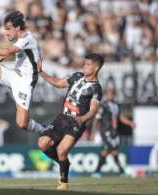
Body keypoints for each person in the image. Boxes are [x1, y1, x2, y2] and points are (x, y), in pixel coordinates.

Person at [37, 53, 104, 190]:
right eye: (84, 63)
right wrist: (41, 73)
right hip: (61, 118)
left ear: (96, 68)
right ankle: (64, 163)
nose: (84, 66)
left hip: (76, 123)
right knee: (42, 143)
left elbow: (93, 110)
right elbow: (57, 83)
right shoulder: (77, 76)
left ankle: (64, 183)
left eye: (88, 64)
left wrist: (82, 119)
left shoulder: (96, 89)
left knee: (62, 150)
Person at [91, 87, 136, 178]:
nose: (110, 95)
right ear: (106, 95)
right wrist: (93, 132)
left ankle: (96, 172)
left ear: (114, 95)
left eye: (112, 94)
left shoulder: (116, 105)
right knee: (114, 150)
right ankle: (122, 171)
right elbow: (97, 119)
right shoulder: (103, 105)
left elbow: (120, 117)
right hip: (106, 131)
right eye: (108, 94)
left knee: (105, 151)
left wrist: (130, 123)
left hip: (114, 132)